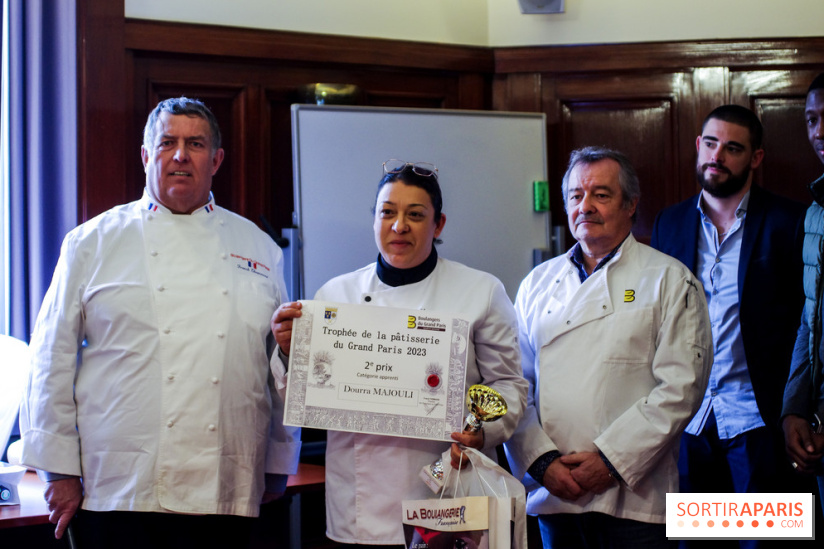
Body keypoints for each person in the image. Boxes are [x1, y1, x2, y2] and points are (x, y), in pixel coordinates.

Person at [19, 97, 300, 548]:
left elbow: (281, 362)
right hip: (117, 484)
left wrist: (278, 460)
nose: (181, 155)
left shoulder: (260, 247)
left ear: (217, 159)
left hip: (226, 484)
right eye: (167, 142)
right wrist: (58, 470)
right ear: (147, 155)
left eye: (195, 144)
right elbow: (49, 358)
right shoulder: (91, 242)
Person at [271, 159, 528, 547]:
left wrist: (481, 431)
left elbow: (508, 387)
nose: (399, 226)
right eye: (387, 212)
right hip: (357, 508)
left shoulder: (480, 291)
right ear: (374, 219)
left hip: (449, 500)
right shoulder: (333, 297)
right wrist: (289, 352)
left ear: (438, 224)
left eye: (415, 215)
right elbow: (302, 402)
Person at [505, 146, 712, 548]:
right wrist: (543, 462)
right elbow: (515, 385)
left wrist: (610, 462)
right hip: (556, 495)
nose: (586, 206)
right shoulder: (536, 284)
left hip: (635, 501)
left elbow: (680, 390)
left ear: (631, 204)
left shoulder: (670, 280)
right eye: (576, 196)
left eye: (601, 194)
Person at [651, 105, 807, 547]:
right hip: (690, 423)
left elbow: (807, 328)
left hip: (760, 423)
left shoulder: (791, 222)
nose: (718, 156)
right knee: (696, 543)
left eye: (733, 148)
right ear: (698, 145)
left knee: (767, 544)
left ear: (755, 158)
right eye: (711, 143)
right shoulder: (670, 221)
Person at [782, 73, 824, 503]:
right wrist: (793, 407)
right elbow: (809, 322)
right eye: (811, 120)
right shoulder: (813, 214)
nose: (820, 132)